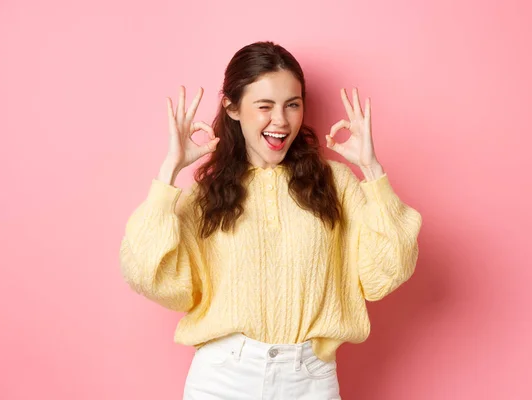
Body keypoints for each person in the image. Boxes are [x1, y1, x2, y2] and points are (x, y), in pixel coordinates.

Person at [119, 41, 422, 400]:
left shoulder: (335, 184)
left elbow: (386, 272)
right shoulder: (207, 195)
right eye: (264, 106)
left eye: (292, 105)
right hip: (221, 379)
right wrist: (168, 173)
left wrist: (372, 170)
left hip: (309, 379)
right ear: (233, 109)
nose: (280, 120)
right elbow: (149, 276)